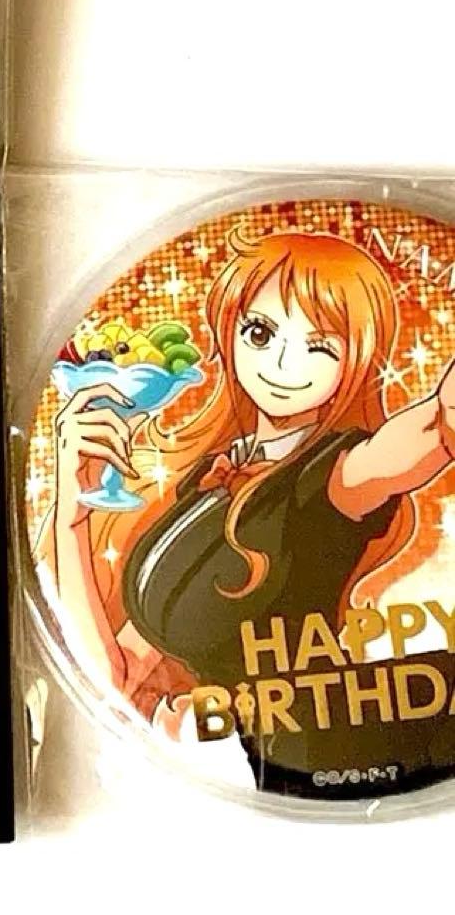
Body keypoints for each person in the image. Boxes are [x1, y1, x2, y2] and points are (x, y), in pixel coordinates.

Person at [37, 228, 455, 733]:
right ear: (229, 330)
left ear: (357, 360)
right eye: (259, 333)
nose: (281, 364)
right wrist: (71, 511)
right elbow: (114, 679)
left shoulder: (330, 478)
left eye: (319, 346)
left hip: (308, 743)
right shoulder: (208, 480)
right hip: (212, 756)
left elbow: (432, 429)